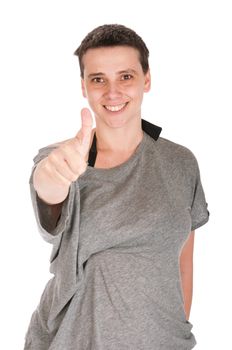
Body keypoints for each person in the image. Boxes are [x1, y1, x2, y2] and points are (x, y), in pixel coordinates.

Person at [24, 24, 210, 350]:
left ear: (146, 79)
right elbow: (48, 191)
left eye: (125, 76)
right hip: (72, 339)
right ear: (84, 87)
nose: (113, 92)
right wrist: (50, 177)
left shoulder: (181, 163)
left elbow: (182, 260)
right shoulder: (63, 160)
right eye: (98, 79)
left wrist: (176, 334)